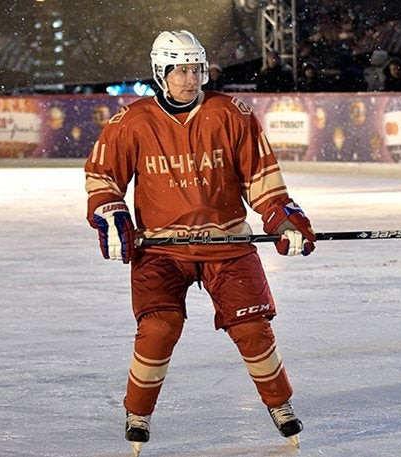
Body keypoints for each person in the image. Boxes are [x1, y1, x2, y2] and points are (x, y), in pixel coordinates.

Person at [84, 30, 315, 455]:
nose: (191, 79)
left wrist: (283, 218)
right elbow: (102, 180)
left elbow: (262, 180)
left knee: (252, 327)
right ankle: (138, 412)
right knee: (158, 327)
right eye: (180, 70)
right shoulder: (131, 122)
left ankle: (280, 404)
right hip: (160, 249)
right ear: (160, 73)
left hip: (225, 242)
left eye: (197, 69)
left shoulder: (232, 113)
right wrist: (111, 213)